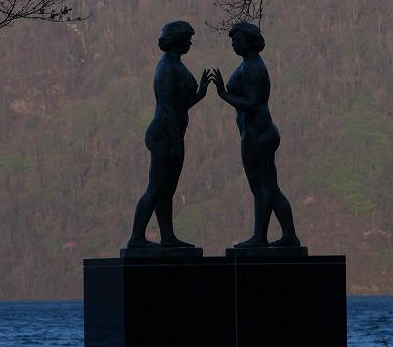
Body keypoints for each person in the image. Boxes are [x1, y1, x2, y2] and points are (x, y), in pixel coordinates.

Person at [211, 22, 300, 248]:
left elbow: (251, 103)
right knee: (269, 187)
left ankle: (260, 237)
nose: (233, 44)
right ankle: (289, 235)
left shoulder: (252, 68)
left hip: (258, 133)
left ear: (248, 42)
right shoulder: (248, 64)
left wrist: (222, 94)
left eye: (237, 40)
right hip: (257, 132)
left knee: (261, 188)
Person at [128, 21, 211, 249]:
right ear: (177, 40)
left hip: (173, 134)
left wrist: (201, 93)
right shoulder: (166, 67)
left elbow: (180, 106)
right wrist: (174, 141)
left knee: (167, 190)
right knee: (156, 187)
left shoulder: (176, 65)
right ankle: (137, 238)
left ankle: (167, 237)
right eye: (188, 39)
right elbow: (165, 108)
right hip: (164, 135)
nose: (190, 43)